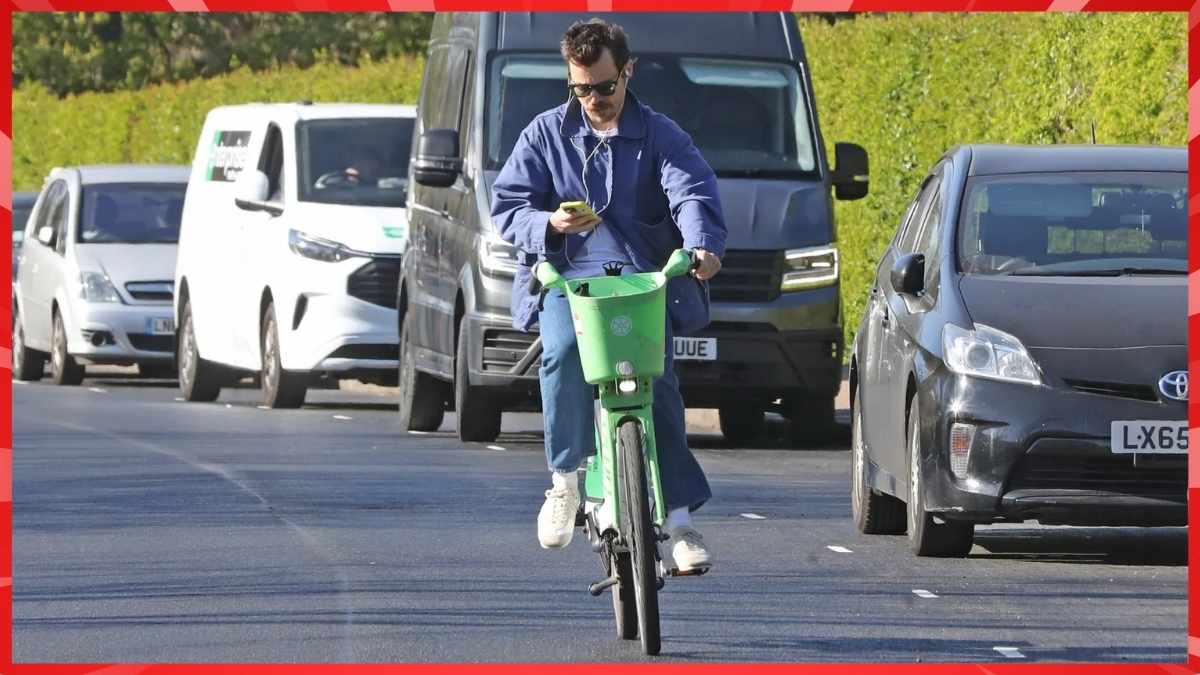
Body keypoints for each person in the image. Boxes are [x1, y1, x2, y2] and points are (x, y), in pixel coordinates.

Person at [491, 18, 726, 572]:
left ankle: (682, 524)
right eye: (580, 88)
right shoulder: (545, 134)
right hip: (567, 284)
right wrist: (549, 223)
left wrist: (701, 248)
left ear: (627, 72)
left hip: (642, 284)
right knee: (564, 354)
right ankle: (565, 482)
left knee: (660, 381)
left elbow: (691, 192)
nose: (593, 99)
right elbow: (508, 207)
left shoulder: (662, 135)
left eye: (604, 86)